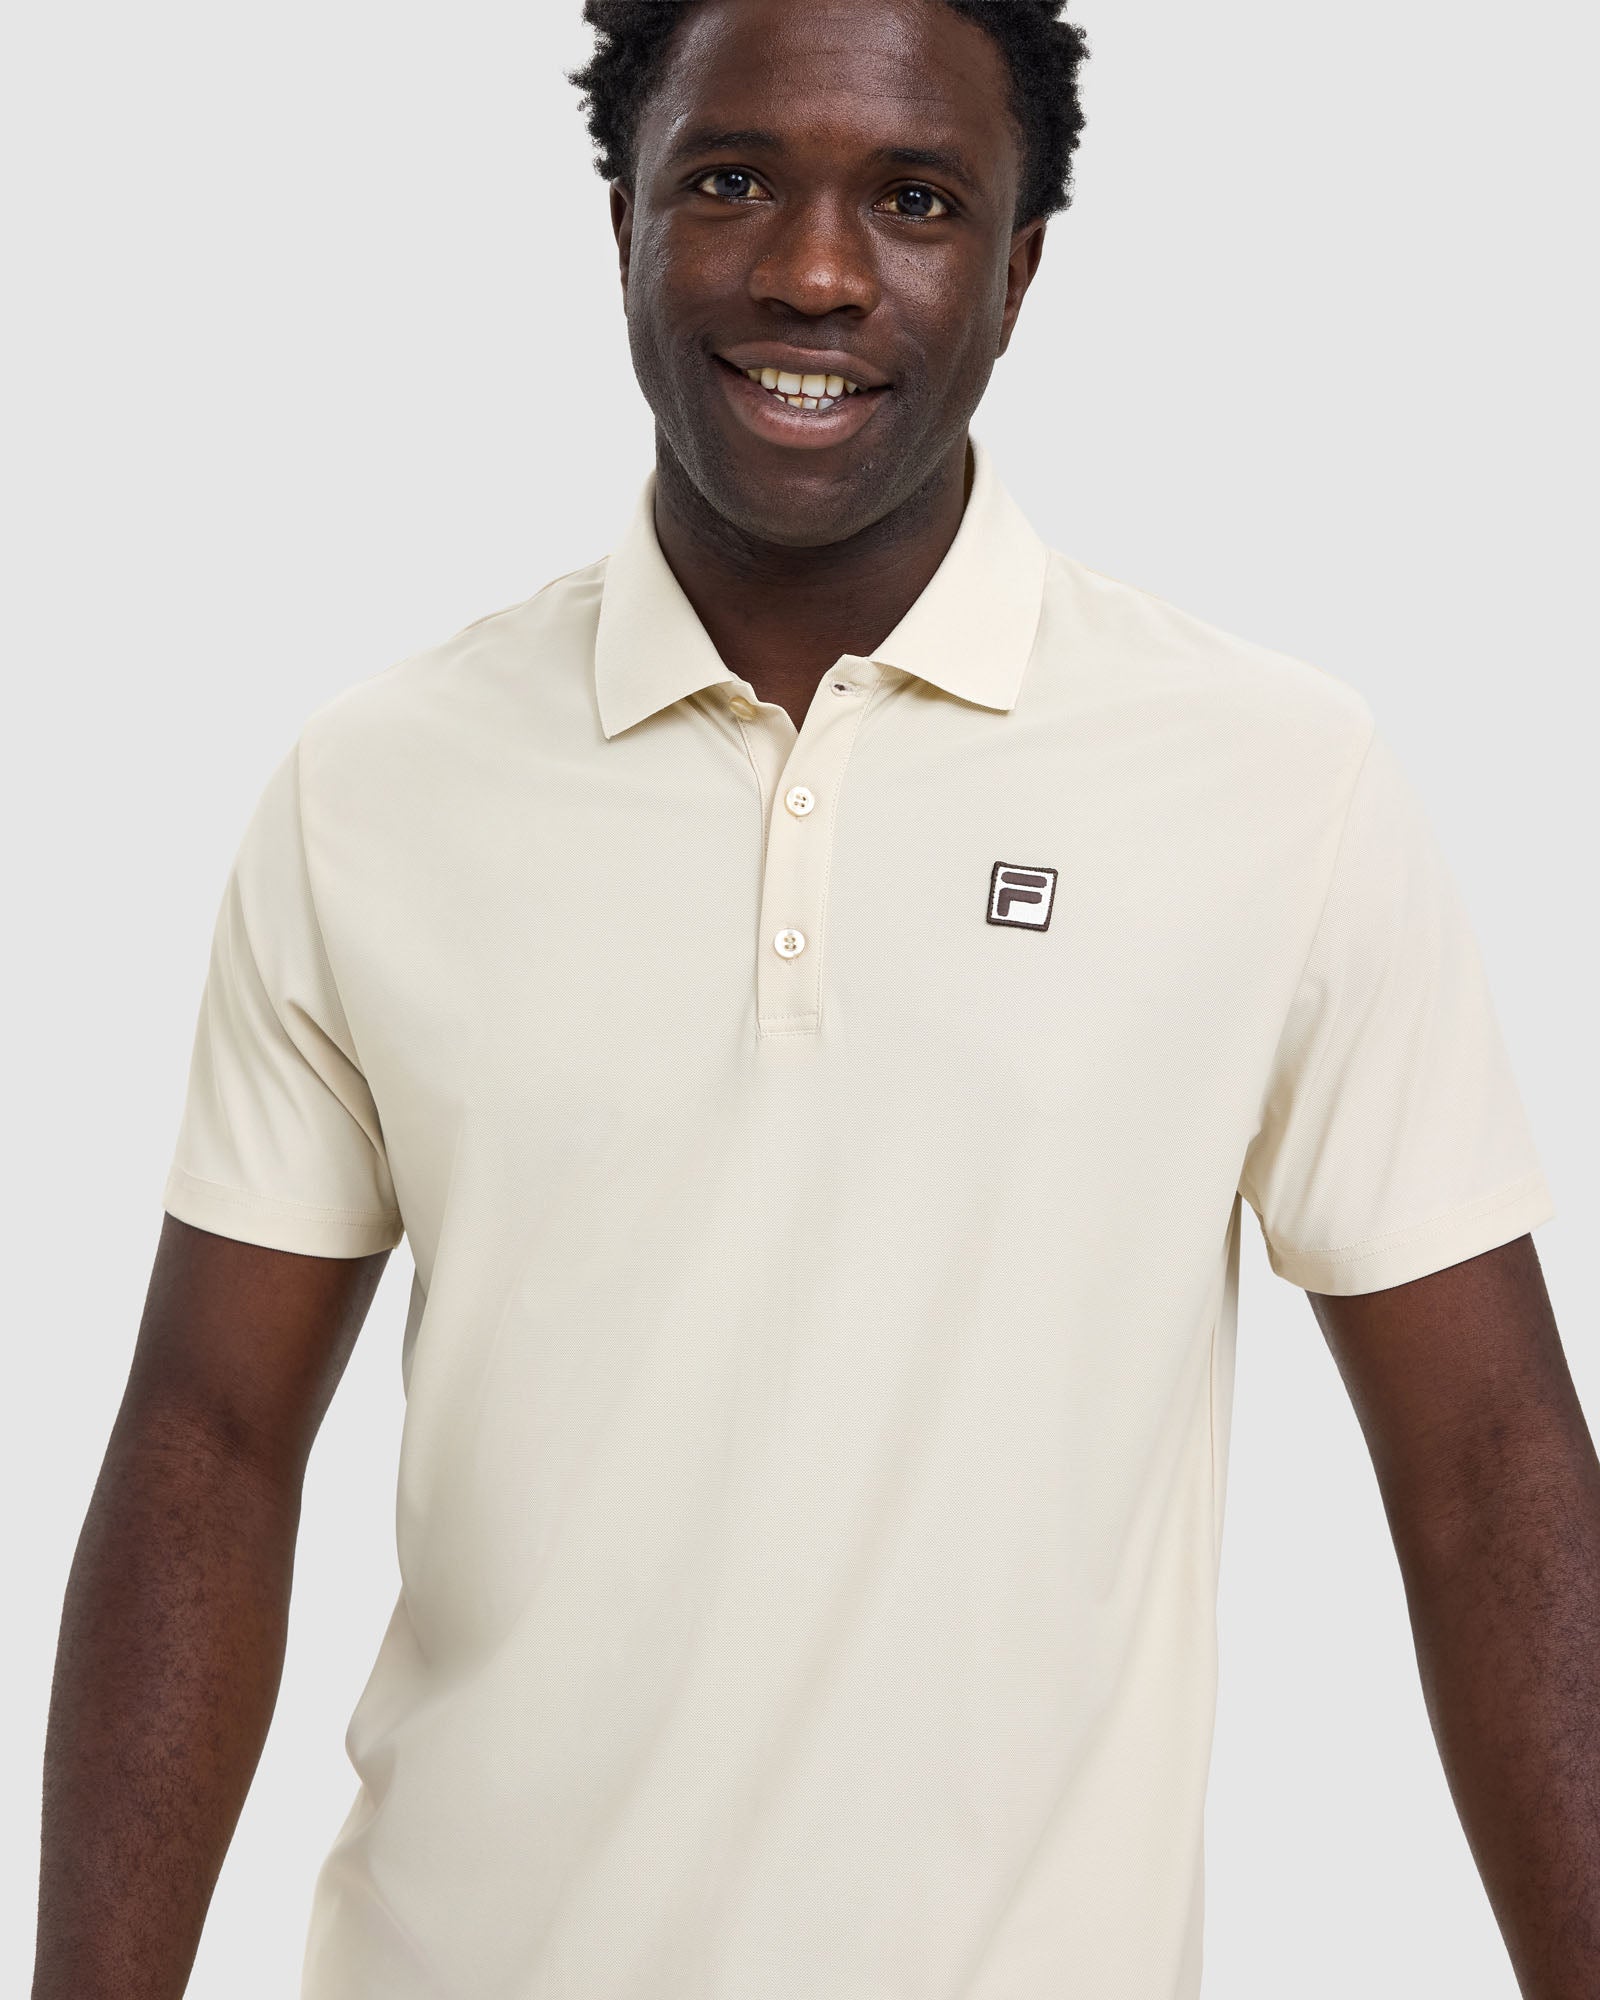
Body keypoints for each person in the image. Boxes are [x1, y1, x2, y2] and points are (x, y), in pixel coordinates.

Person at [32, 2, 1598, 1996]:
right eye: (729, 179)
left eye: (916, 200)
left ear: (1019, 270)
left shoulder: (1277, 784)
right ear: (622, 219)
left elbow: (1487, 1476)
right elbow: (212, 1439)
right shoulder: (375, 790)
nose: (814, 271)